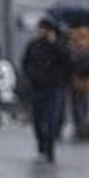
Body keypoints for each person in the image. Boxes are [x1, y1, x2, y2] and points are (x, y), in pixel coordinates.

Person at [21, 18, 70, 162]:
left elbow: (67, 61)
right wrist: (31, 76)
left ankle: (50, 148)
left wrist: (54, 43)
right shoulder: (33, 45)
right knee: (37, 119)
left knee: (51, 119)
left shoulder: (58, 45)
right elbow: (26, 62)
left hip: (53, 87)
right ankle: (41, 144)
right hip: (37, 86)